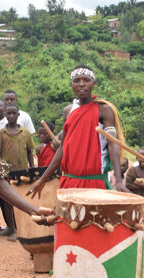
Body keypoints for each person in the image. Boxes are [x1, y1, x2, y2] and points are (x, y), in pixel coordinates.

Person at [27, 64, 128, 198]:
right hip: (69, 181)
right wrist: (42, 180)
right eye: (76, 81)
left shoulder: (104, 109)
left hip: (96, 181)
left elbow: (112, 144)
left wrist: (119, 181)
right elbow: (62, 148)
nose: (81, 84)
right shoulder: (68, 111)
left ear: (94, 83)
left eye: (86, 80)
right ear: (71, 84)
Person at [0, 103, 35, 241]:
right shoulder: (1, 134)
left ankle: (23, 229)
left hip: (22, 173)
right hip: (6, 174)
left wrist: (31, 167)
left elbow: (30, 151)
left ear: (18, 115)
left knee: (22, 202)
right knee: (8, 203)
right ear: (5, 115)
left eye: (14, 113)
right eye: (9, 114)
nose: (11, 116)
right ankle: (12, 230)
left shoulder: (25, 133)